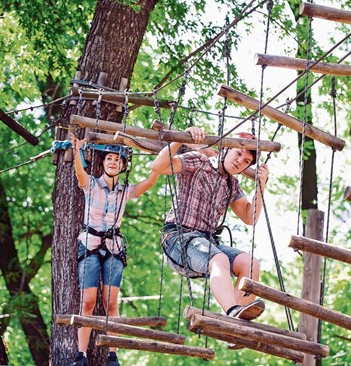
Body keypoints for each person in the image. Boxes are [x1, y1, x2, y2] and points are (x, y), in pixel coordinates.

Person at [151, 126, 269, 323]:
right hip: (178, 239)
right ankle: (232, 311)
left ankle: (237, 325)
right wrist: (179, 139)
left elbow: (250, 217)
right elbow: (158, 166)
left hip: (206, 244)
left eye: (246, 161)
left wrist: (260, 185)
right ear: (226, 149)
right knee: (219, 259)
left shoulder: (232, 184)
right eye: (238, 153)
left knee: (250, 264)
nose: (240, 161)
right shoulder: (199, 160)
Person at [69, 132, 159, 366]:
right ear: (103, 162)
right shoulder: (91, 185)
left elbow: (149, 183)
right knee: (88, 302)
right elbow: (80, 173)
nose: (112, 162)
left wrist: (161, 162)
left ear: (123, 166)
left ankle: (112, 355)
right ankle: (81, 355)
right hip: (89, 245)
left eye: (117, 160)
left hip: (113, 247)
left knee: (111, 303)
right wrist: (78, 150)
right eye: (109, 158)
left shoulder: (125, 192)